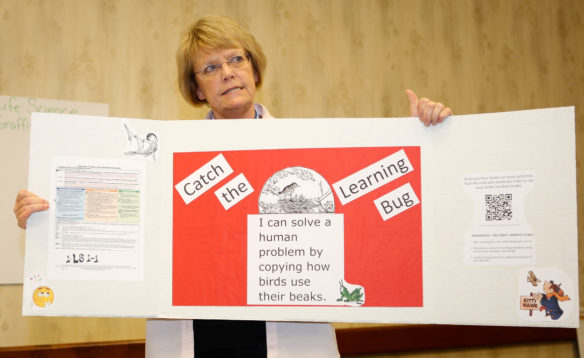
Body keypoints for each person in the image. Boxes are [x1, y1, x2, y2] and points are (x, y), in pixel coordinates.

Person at [14, 15, 452, 358]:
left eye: (236, 59)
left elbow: (374, 218)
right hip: (192, 337)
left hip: (289, 337)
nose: (226, 72)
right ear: (198, 89)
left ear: (254, 69)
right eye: (210, 67)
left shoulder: (314, 152)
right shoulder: (159, 157)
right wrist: (52, 215)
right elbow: (118, 223)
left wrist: (429, 136)